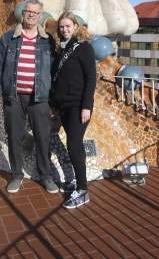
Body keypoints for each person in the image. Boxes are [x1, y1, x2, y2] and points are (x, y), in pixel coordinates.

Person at [0, 0, 58, 194]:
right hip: (13, 97)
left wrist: (54, 101)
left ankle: (45, 176)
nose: (31, 15)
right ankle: (17, 175)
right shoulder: (7, 38)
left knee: (43, 138)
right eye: (28, 11)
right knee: (14, 137)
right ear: (23, 13)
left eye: (35, 13)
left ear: (40, 16)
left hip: (40, 98)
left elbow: (54, 72)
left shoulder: (48, 41)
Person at [51, 11, 96, 209]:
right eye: (62, 26)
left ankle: (83, 190)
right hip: (64, 106)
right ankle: (77, 182)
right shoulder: (61, 48)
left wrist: (86, 106)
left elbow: (91, 78)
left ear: (75, 27)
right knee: (74, 146)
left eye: (68, 26)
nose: (65, 29)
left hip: (79, 106)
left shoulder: (83, 48)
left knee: (74, 146)